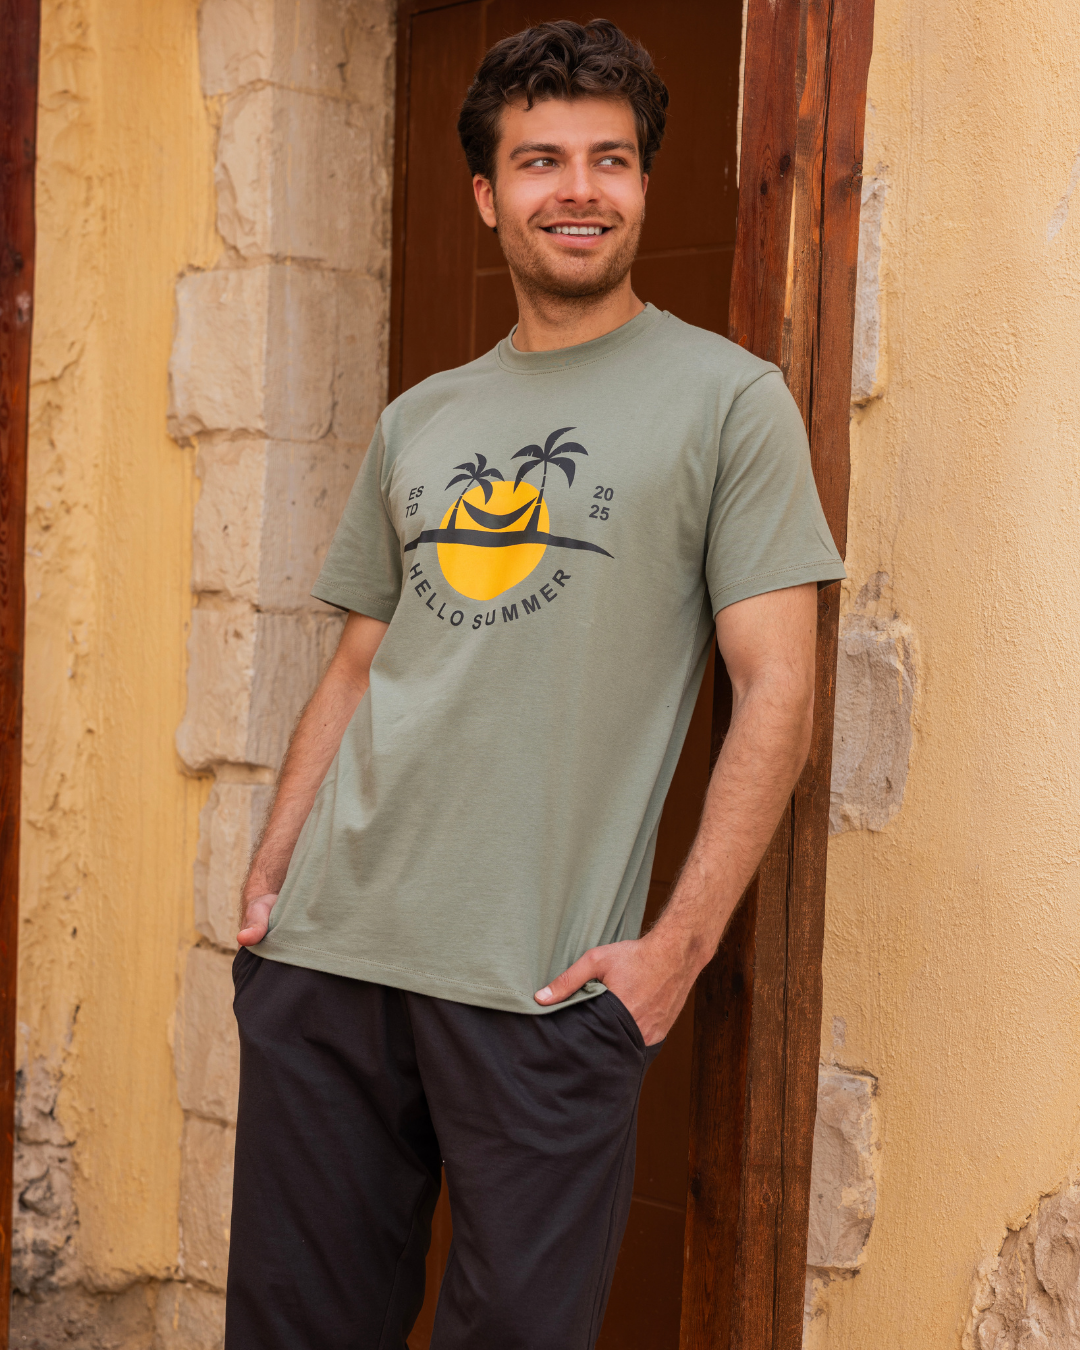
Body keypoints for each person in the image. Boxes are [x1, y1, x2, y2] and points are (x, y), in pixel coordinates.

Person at [225, 18, 845, 1350]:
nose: (580, 189)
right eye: (542, 159)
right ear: (487, 195)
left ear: (642, 183)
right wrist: (269, 885)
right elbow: (361, 663)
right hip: (328, 960)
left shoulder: (729, 401)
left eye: (609, 159)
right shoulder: (422, 418)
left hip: (543, 987)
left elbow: (778, 693)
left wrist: (674, 956)